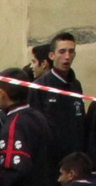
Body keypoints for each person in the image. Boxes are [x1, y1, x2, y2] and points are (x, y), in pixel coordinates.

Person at [30, 32, 87, 177]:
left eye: (71, 51)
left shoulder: (75, 85)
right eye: (62, 52)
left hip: (75, 162)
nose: (67, 57)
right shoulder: (40, 87)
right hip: (50, 164)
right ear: (51, 56)